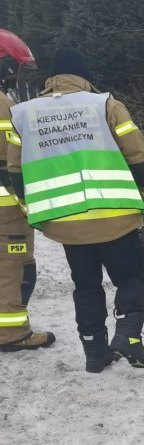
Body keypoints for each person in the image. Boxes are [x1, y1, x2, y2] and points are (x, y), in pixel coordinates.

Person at [5, 48, 144, 372]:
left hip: (68, 224)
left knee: (87, 286)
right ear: (83, 77)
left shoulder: (23, 114)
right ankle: (129, 337)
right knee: (131, 277)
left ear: (51, 80)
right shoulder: (104, 105)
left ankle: (95, 354)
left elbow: (15, 172)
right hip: (116, 215)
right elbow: (138, 156)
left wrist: (31, 211)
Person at [0, 29, 55, 352]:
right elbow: (16, 162)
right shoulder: (5, 107)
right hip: (6, 211)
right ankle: (10, 333)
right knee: (14, 269)